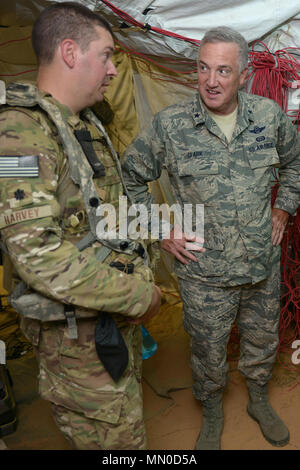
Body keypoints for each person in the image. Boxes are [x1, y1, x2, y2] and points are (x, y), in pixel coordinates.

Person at [121, 26, 300, 450]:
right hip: (203, 273)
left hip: (261, 263)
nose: (211, 80)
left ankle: (258, 397)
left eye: (223, 70)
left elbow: (295, 164)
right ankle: (213, 408)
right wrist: (163, 230)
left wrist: (283, 206)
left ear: (243, 77)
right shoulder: (171, 126)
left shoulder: (269, 117)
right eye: (203, 68)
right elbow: (130, 176)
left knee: (262, 340)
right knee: (207, 350)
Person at [0, 2, 161, 450]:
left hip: (104, 323)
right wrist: (139, 295)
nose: (112, 70)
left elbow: (102, 215)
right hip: (78, 341)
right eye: (107, 55)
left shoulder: (81, 124)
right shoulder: (19, 134)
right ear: (70, 53)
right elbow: (40, 257)